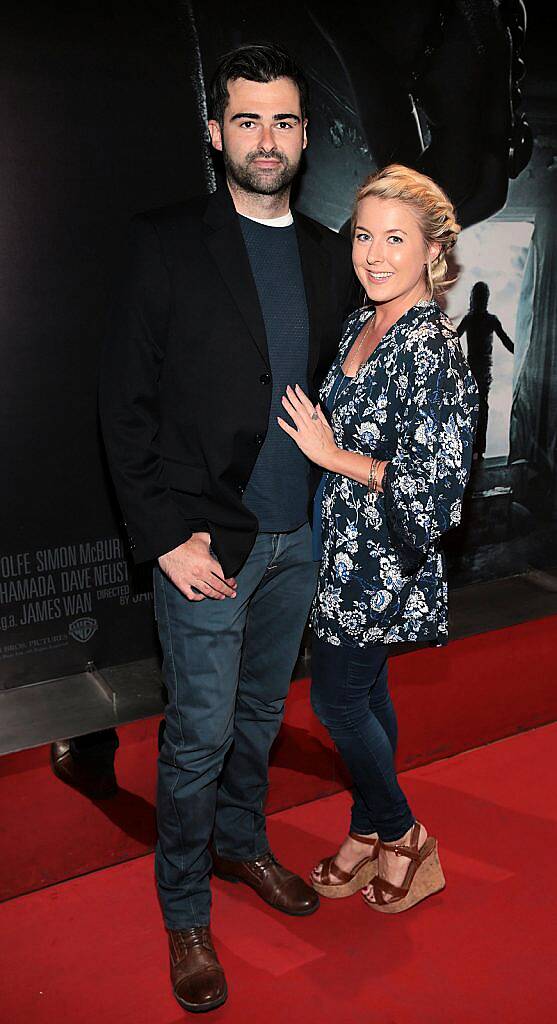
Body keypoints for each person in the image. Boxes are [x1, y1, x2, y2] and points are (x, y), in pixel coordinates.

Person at [99, 43, 354, 1014]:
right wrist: (164, 536)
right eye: (245, 119)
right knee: (198, 732)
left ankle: (243, 843)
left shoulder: (332, 253)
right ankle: (183, 910)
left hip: (299, 539)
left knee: (256, 721)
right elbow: (121, 402)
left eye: (282, 120)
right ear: (215, 133)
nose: (265, 138)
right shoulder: (164, 241)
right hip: (206, 542)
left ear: (301, 135)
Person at [278, 164, 478, 914]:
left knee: (334, 704)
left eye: (395, 238)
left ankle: (403, 834)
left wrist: (336, 459)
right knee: (366, 691)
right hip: (340, 546)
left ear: (433, 251)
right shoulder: (363, 322)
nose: (373, 253)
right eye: (364, 235)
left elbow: (433, 490)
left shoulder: (431, 350)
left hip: (381, 559)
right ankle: (366, 830)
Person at [457, 281, 514, 459]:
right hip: (481, 371)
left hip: (472, 369)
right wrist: (523, 354)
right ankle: (478, 450)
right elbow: (507, 342)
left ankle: (472, 449)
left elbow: (453, 338)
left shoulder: (470, 319)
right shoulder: (490, 320)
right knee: (481, 408)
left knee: (471, 408)